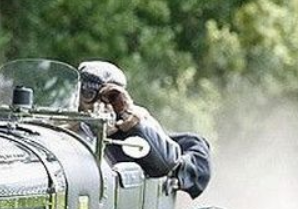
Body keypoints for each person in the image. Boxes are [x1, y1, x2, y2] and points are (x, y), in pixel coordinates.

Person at [78, 60, 211, 199]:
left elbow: (165, 164)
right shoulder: (68, 126)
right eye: (88, 94)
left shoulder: (134, 132)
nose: (99, 105)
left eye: (112, 97)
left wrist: (131, 121)